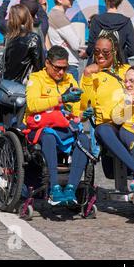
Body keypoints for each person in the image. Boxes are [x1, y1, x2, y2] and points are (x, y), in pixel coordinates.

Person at [80, 32, 134, 189]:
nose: (100, 55)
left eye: (105, 52)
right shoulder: (92, 75)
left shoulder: (127, 70)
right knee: (102, 130)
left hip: (132, 121)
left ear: (115, 51)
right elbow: (85, 104)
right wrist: (87, 76)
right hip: (108, 126)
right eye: (97, 51)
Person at [25, 45, 91, 205]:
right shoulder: (36, 78)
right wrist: (60, 99)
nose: (61, 72)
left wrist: (83, 115)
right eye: (57, 68)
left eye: (64, 68)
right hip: (39, 127)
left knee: (84, 140)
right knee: (48, 138)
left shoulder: (70, 80)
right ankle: (54, 187)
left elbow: (73, 114)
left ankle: (70, 189)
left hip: (64, 127)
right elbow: (32, 105)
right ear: (47, 63)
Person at [0, 4, 44, 130]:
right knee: (25, 128)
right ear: (28, 18)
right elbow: (40, 66)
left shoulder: (9, 39)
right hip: (25, 90)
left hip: (6, 89)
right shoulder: (33, 38)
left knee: (7, 130)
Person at [85, 0, 134, 65]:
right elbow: (131, 50)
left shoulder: (96, 20)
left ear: (106, 1)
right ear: (120, 2)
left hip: (98, 65)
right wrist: (119, 54)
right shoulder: (126, 21)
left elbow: (90, 49)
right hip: (118, 66)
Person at [48, 0, 81, 82]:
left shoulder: (54, 14)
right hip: (67, 65)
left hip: (62, 63)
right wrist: (77, 41)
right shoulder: (58, 16)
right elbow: (75, 44)